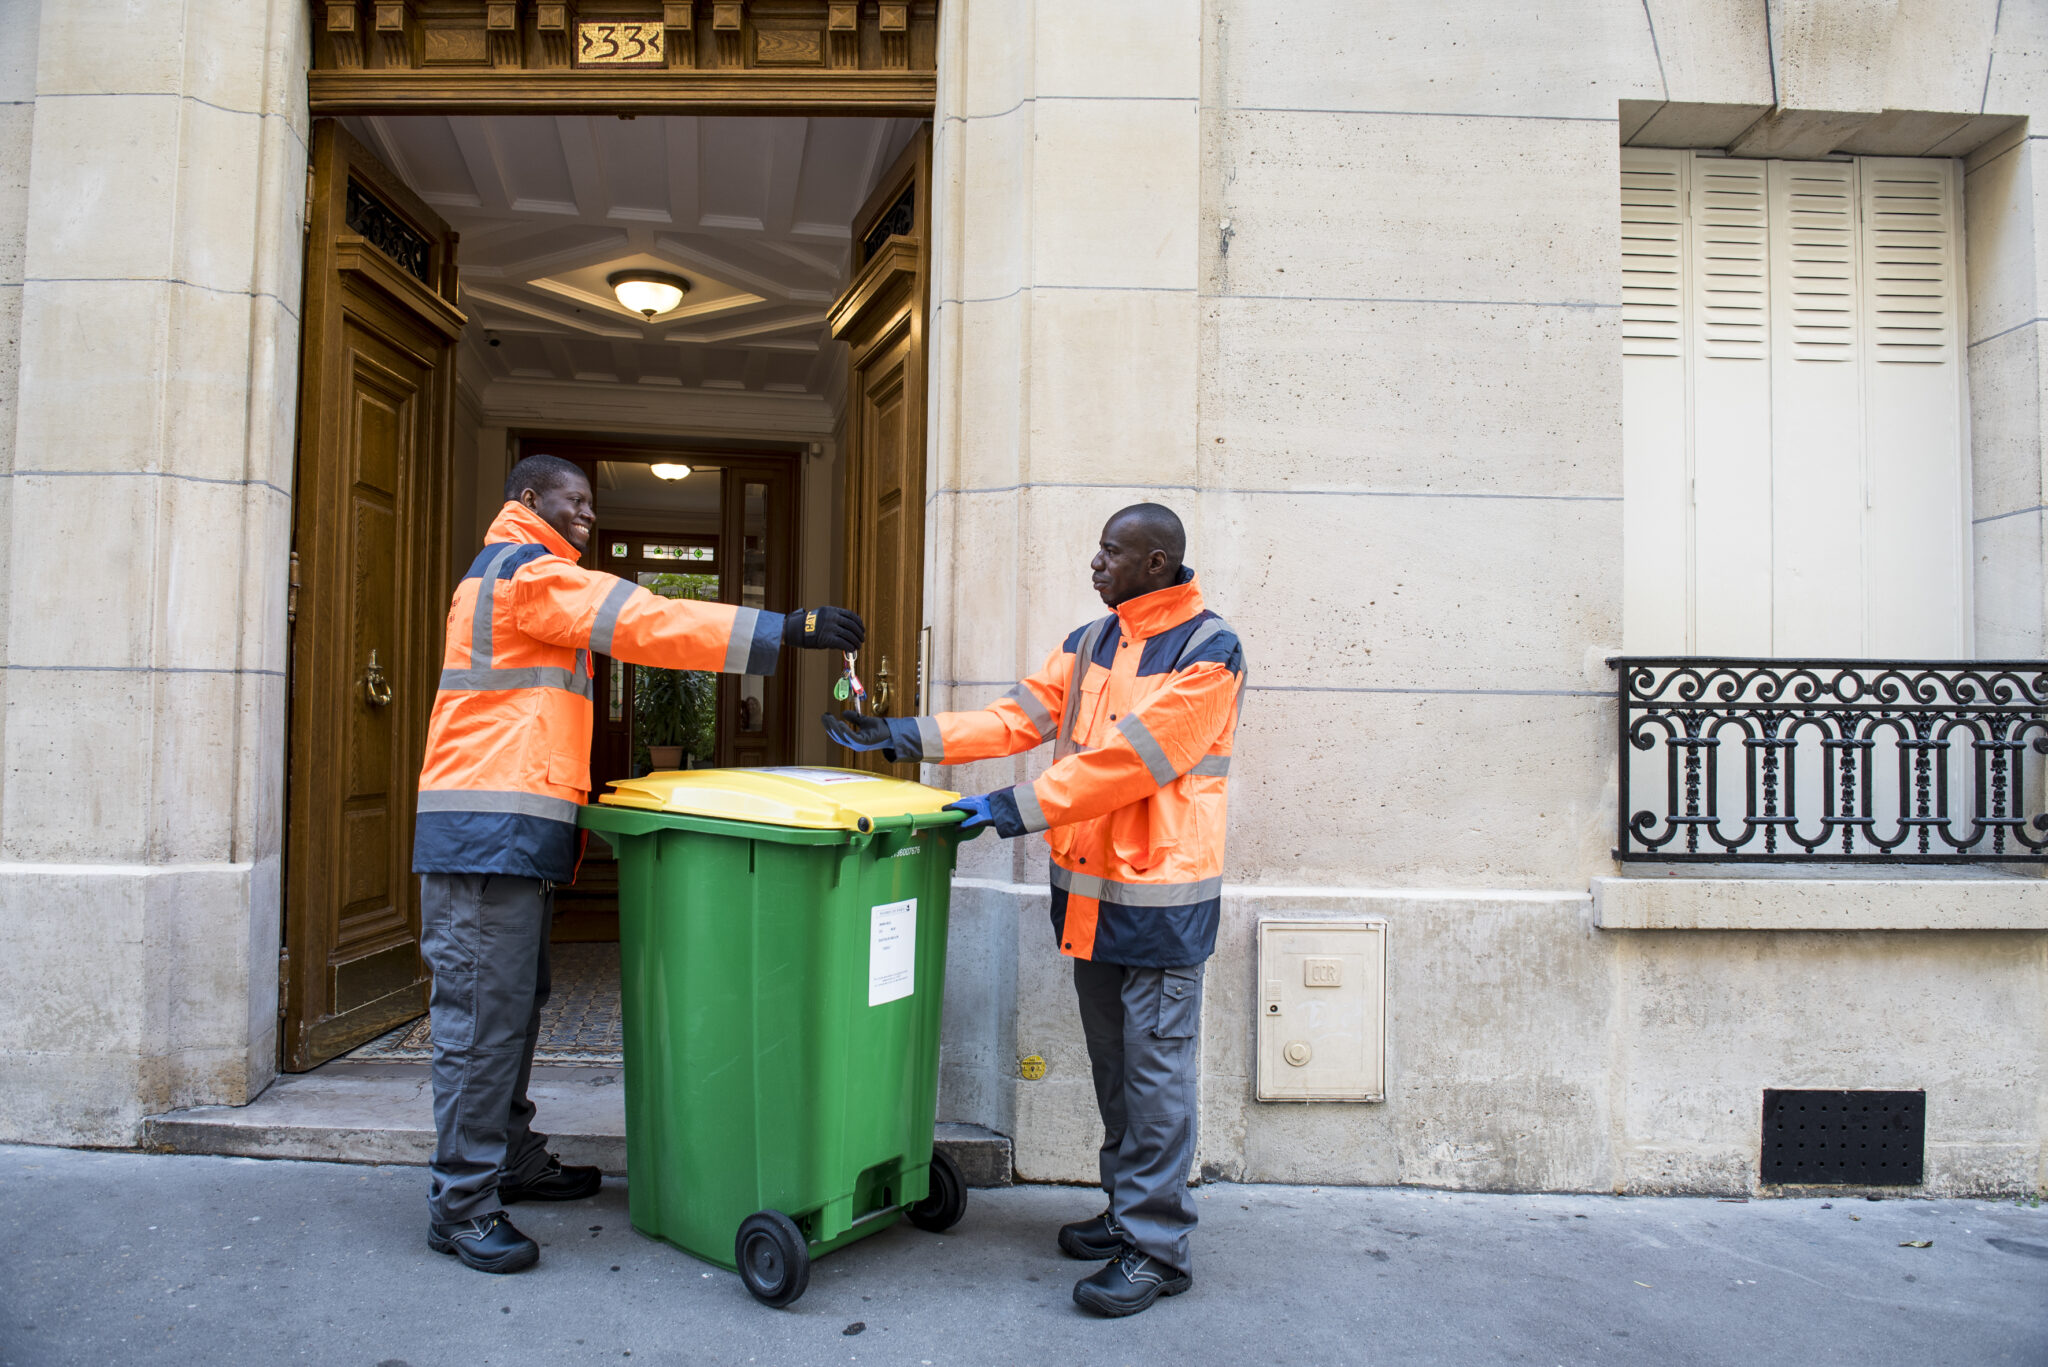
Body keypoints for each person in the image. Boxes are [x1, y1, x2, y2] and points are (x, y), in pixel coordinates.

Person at [414, 453, 864, 1274]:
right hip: (483, 834)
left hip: (506, 833)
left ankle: (505, 1157)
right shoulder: (526, 572)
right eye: (573, 501)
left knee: (508, 1011)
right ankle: (462, 1202)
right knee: (482, 1021)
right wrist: (785, 628)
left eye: (589, 503)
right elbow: (646, 620)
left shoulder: (525, 576)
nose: (586, 515)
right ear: (527, 499)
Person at [824, 503, 1244, 1318]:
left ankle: (1157, 1249)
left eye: (1111, 552)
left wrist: (1011, 807)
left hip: (1159, 902)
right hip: (1094, 899)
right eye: (1098, 549)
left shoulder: (1209, 651)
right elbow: (1015, 716)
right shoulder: (1092, 642)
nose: (1095, 563)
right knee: (1120, 1073)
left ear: (1157, 562)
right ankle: (1129, 1214)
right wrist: (901, 734)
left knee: (1156, 1082)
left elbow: (1130, 764)